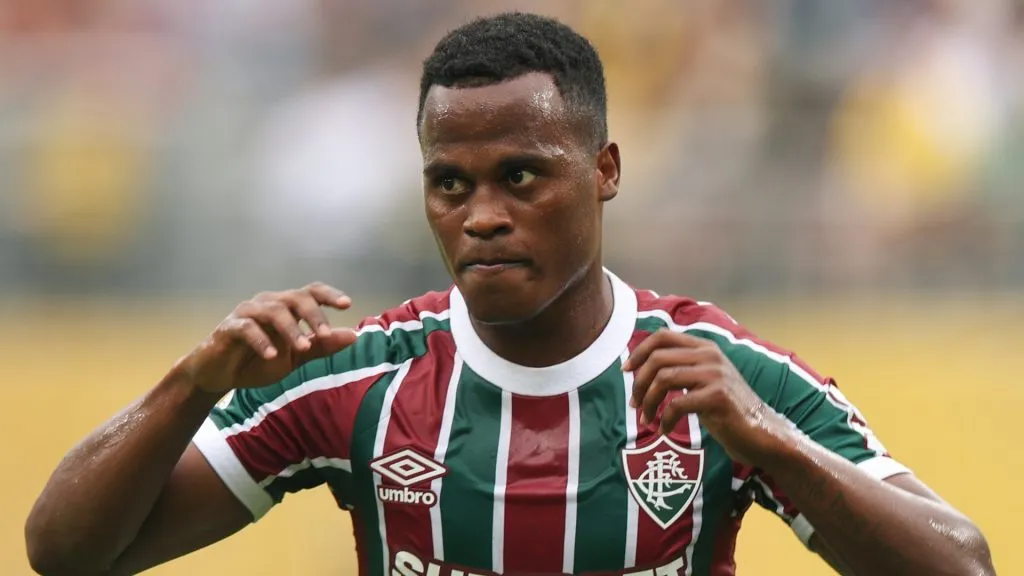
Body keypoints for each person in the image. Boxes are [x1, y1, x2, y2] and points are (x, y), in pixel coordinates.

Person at [25, 12, 994, 576]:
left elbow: (963, 565)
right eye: (450, 183)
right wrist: (188, 387)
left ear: (604, 169)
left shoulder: (718, 379)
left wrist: (769, 443)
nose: (481, 214)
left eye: (521, 177)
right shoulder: (360, 378)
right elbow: (64, 553)